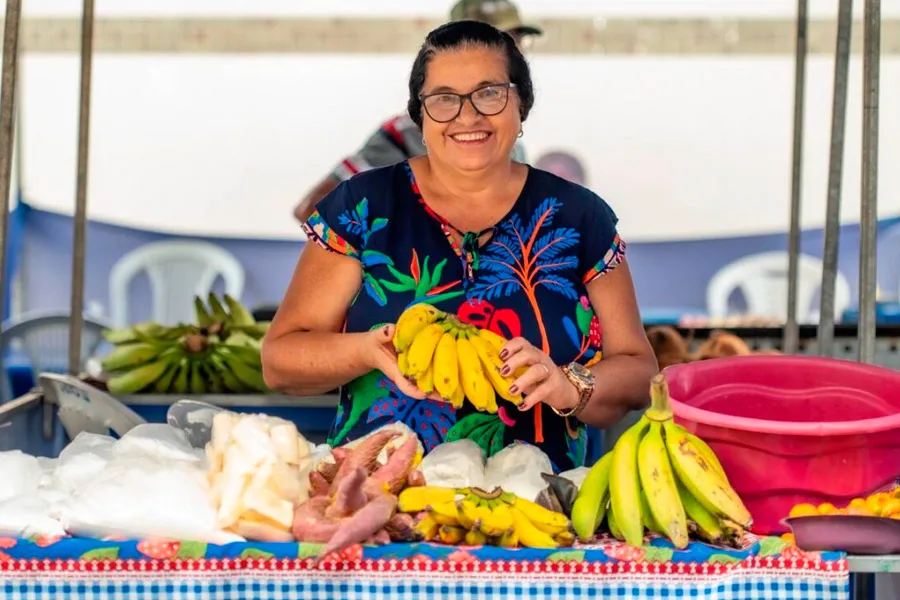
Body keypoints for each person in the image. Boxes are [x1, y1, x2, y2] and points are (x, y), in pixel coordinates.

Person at [263, 20, 657, 472]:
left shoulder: (579, 216)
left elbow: (637, 370)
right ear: (420, 116)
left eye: (490, 93)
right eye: (444, 99)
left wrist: (572, 384)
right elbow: (281, 362)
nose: (467, 117)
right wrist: (365, 350)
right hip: (377, 506)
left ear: (521, 106)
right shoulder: (363, 206)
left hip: (538, 513)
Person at [293, 0, 541, 224]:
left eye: (516, 41)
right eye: (497, 41)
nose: (513, 52)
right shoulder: (404, 135)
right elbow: (313, 211)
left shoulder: (512, 146)